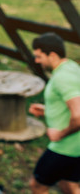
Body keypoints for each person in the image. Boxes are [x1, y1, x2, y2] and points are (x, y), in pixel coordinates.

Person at [29, 32, 80, 194]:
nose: (37, 61)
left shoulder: (62, 77)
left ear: (52, 55)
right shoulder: (71, 67)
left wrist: (60, 134)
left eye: (39, 56)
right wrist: (47, 110)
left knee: (37, 186)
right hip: (76, 146)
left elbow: (79, 115)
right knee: (69, 184)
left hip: (65, 148)